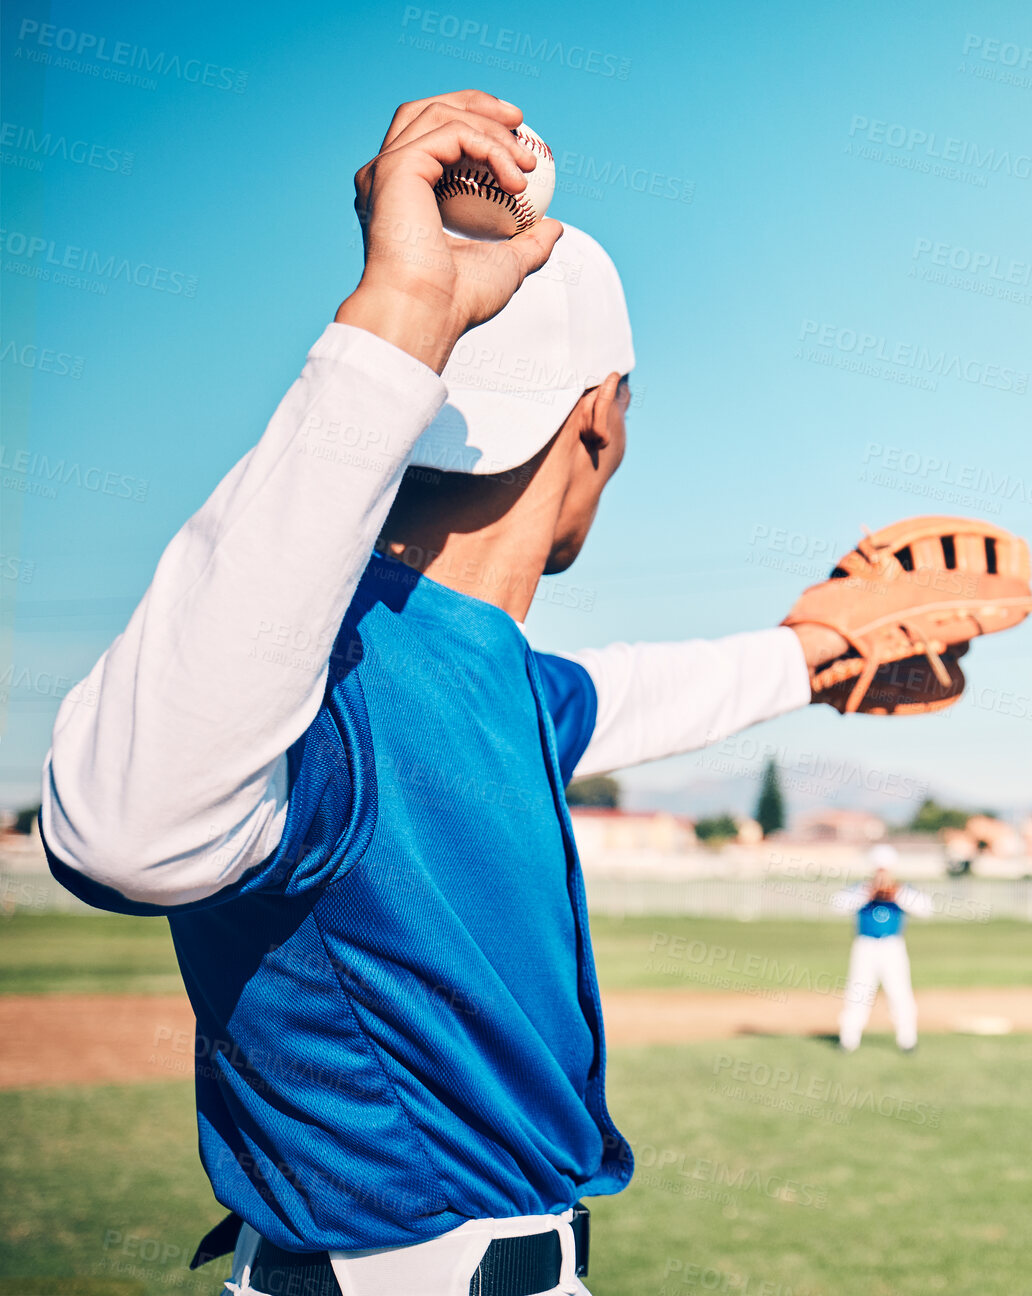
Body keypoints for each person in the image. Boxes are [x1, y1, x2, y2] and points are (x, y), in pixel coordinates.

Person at [38, 91, 850, 1296]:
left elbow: (632, 695)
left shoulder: (480, 668)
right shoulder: (318, 665)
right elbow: (123, 836)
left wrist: (819, 655)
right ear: (598, 422)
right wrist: (402, 314)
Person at [833, 845, 933, 1052]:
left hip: (892, 946)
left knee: (899, 991)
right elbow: (838, 905)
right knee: (858, 991)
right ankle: (849, 1040)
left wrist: (897, 893)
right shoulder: (861, 888)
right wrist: (868, 892)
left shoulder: (902, 890)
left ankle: (907, 1039)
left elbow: (925, 909)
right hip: (865, 945)